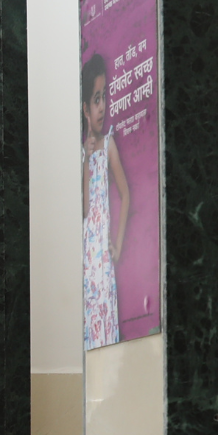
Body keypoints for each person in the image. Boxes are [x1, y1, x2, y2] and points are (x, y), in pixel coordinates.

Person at [81, 52, 131, 350]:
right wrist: (86, 159)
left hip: (103, 259)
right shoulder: (83, 155)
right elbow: (85, 209)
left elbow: (125, 194)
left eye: (104, 97)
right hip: (86, 264)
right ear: (85, 109)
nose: (102, 107)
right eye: (95, 100)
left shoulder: (109, 144)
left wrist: (118, 243)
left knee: (106, 338)